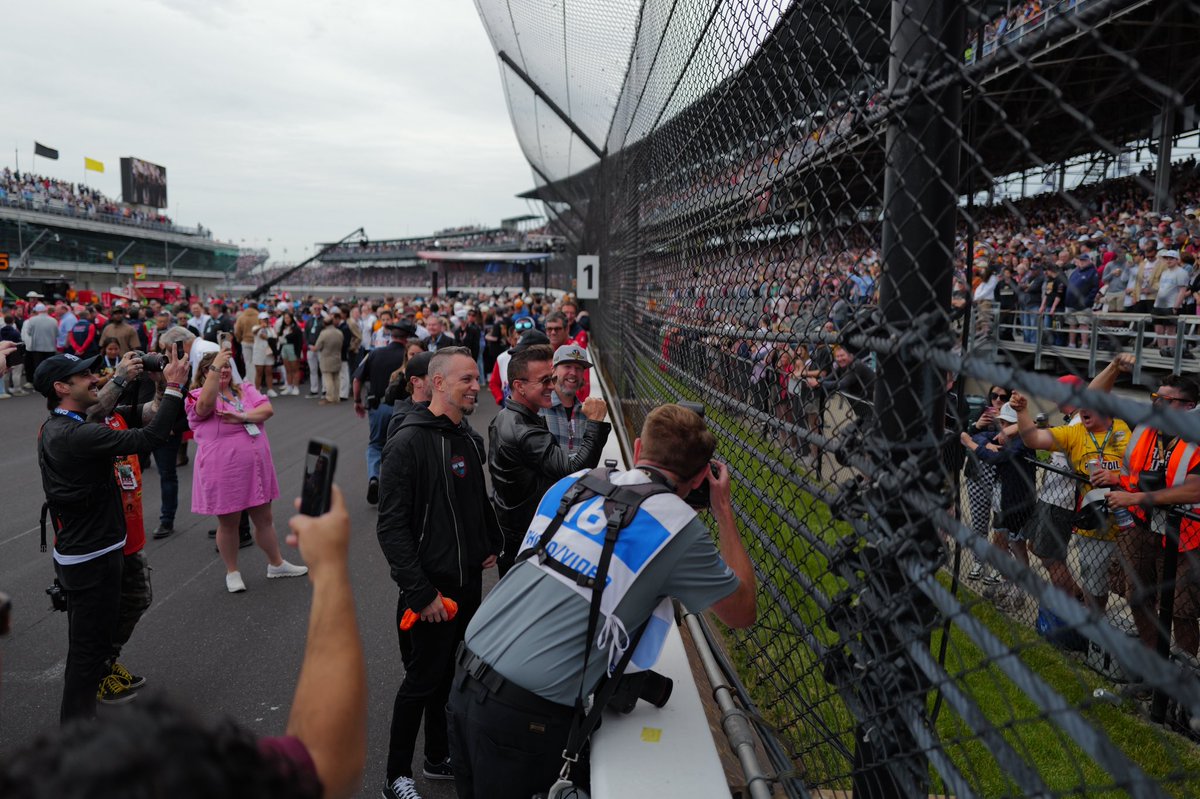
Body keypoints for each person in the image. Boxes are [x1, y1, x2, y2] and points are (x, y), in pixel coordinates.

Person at [448, 403, 757, 799]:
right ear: (701, 476)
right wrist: (723, 509)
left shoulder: (577, 482)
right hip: (525, 713)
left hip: (466, 673)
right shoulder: (678, 527)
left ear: (638, 445)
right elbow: (741, 611)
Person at [0, 485, 368, 799]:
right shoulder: (162, 775)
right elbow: (323, 761)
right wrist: (331, 569)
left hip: (111, 549)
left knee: (116, 622)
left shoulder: (34, 780)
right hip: (91, 557)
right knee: (87, 651)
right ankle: (95, 681)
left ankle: (101, 674)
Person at [34, 348, 189, 722]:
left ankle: (79, 732)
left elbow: (144, 418)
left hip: (97, 550)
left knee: (93, 647)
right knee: (87, 655)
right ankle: (75, 739)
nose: (95, 378)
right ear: (61, 387)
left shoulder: (71, 424)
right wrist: (174, 387)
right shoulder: (72, 433)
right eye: (84, 375)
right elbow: (149, 438)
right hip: (91, 557)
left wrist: (158, 388)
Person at [376, 347, 502, 799]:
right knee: (421, 682)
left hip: (466, 583)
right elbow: (390, 527)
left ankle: (436, 756)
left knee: (450, 677)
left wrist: (489, 542)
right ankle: (396, 775)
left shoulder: (465, 436)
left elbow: (474, 499)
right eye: (466, 379)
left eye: (477, 378)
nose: (476, 386)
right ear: (439, 383)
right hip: (430, 591)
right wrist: (419, 591)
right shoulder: (407, 442)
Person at [187, 349, 308, 592]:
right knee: (230, 522)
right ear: (204, 372)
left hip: (256, 467)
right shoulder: (197, 395)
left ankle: (276, 564)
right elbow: (204, 407)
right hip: (224, 469)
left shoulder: (244, 389)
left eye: (227, 367)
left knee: (265, 519)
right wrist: (215, 374)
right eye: (217, 368)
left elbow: (267, 410)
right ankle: (232, 571)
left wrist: (241, 416)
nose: (224, 371)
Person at [489, 345, 611, 577]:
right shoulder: (526, 426)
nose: (551, 385)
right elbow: (573, 469)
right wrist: (596, 424)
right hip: (532, 531)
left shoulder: (519, 416)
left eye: (579, 368)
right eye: (546, 380)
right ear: (519, 386)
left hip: (545, 524)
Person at [1100, 374, 1200, 656]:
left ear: (1189, 406)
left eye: (1167, 401)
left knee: (1181, 611)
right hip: (1143, 525)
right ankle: (1155, 664)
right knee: (1138, 597)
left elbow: (1194, 491)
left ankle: (1184, 676)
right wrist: (1115, 366)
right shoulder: (1147, 426)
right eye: (1156, 398)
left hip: (1187, 538)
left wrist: (1136, 497)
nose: (1157, 405)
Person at [1013, 387, 1130, 611]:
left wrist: (1116, 477)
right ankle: (1090, 629)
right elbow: (1033, 439)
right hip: (1092, 524)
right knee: (1094, 585)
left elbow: (1141, 472)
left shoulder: (1124, 430)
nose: (1082, 409)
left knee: (1130, 587)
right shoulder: (1076, 432)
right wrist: (1022, 411)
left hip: (1128, 521)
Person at [353, 321, 414, 505]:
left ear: (391, 336)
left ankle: (374, 477)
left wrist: (357, 401)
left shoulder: (374, 353)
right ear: (407, 338)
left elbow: (357, 379)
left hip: (378, 407)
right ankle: (397, 485)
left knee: (375, 445)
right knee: (401, 447)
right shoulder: (410, 358)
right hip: (404, 408)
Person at [541, 343, 592, 454]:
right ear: (553, 369)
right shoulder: (540, 409)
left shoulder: (587, 413)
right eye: (567, 366)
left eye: (578, 368)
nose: (573, 373)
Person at [383, 351, 434, 444]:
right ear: (416, 381)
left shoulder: (449, 410)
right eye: (434, 375)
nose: (441, 380)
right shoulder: (401, 422)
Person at [21, 303, 59, 385]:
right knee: (50, 366)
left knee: (38, 366)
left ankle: (39, 383)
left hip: (37, 348)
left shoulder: (32, 320)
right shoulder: (53, 320)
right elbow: (57, 334)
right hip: (50, 347)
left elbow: (29, 333)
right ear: (45, 310)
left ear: (37, 311)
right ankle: (49, 382)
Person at [314, 312, 345, 405]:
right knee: (336, 378)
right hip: (337, 357)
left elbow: (318, 346)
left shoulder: (324, 333)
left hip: (326, 358)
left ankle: (330, 397)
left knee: (328, 379)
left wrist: (314, 348)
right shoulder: (339, 332)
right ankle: (336, 396)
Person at [276, 310, 305, 396]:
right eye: (285, 318)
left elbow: (299, 341)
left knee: (295, 369)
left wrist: (298, 353)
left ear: (291, 318)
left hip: (293, 348)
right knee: (287, 369)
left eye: (288, 318)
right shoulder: (283, 328)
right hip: (284, 348)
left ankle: (296, 386)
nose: (286, 319)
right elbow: (280, 338)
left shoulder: (296, 328)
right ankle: (289, 386)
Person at [252, 311, 279, 397]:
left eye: (266, 319)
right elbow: (254, 332)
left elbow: (275, 338)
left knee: (269, 371)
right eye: (262, 320)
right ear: (259, 320)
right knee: (259, 372)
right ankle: (257, 390)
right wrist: (261, 327)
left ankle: (270, 389)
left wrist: (267, 337)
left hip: (268, 353)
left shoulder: (271, 329)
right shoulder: (256, 327)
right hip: (259, 352)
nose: (264, 321)